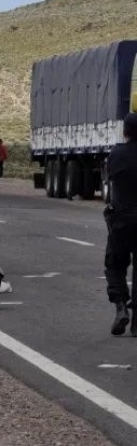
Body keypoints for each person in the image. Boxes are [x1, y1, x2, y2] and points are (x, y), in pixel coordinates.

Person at [104, 112, 137, 336]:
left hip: (121, 221)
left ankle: (121, 307)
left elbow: (111, 177)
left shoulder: (116, 153)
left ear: (125, 131)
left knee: (115, 265)